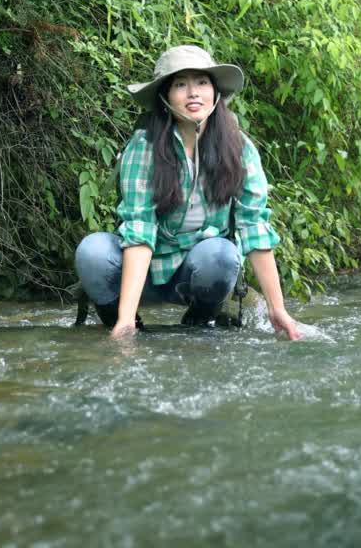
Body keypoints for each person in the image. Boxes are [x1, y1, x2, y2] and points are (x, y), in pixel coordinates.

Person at [74, 45, 304, 340]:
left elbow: (254, 226)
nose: (193, 92)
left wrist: (277, 309)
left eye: (202, 82)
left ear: (215, 92)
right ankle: (122, 325)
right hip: (143, 274)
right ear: (165, 97)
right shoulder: (144, 147)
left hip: (198, 272)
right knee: (93, 251)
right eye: (181, 84)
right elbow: (139, 229)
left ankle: (198, 324)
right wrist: (126, 319)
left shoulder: (239, 148)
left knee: (223, 254)